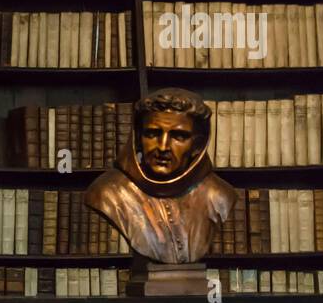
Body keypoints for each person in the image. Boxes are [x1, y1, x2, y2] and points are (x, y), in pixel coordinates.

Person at [85, 88, 236, 264]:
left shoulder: (220, 196)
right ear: (138, 138)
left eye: (178, 136)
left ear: (197, 144)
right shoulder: (107, 193)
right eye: (152, 134)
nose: (163, 147)